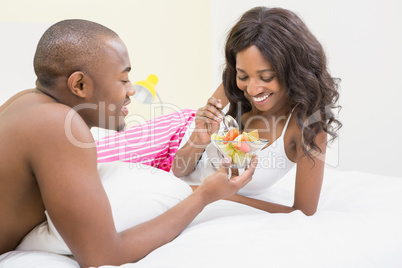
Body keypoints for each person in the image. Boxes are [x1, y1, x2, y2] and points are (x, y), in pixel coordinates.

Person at [0, 19, 258, 267]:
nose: (132, 90)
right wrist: (204, 196)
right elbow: (103, 257)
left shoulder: (23, 101)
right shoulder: (58, 126)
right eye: (123, 80)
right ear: (79, 84)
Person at [172, 7, 342, 216]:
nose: (252, 90)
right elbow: (179, 170)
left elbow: (303, 212)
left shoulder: (307, 129)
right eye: (243, 76)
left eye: (266, 77)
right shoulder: (229, 91)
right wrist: (199, 140)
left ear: (293, 72)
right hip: (174, 192)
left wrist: (217, 195)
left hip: (201, 205)